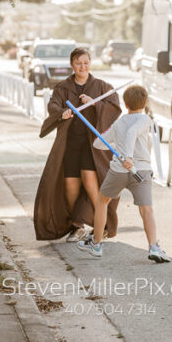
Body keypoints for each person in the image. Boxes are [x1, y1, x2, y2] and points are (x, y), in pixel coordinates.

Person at [33, 47, 121, 242]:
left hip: (93, 146)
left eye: (86, 62)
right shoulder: (63, 88)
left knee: (91, 184)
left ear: (90, 63)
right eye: (79, 63)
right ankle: (77, 226)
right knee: (70, 185)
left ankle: (103, 225)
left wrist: (95, 104)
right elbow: (53, 105)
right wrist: (61, 113)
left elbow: (114, 107)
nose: (83, 66)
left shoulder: (101, 87)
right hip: (70, 145)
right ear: (72, 65)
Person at [77, 84, 170, 263]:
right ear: (145, 103)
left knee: (102, 202)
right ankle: (154, 246)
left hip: (119, 170)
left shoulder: (120, 121)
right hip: (139, 170)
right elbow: (124, 135)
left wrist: (123, 154)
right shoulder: (145, 119)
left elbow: (99, 143)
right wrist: (127, 156)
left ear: (126, 105)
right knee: (146, 209)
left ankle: (96, 244)